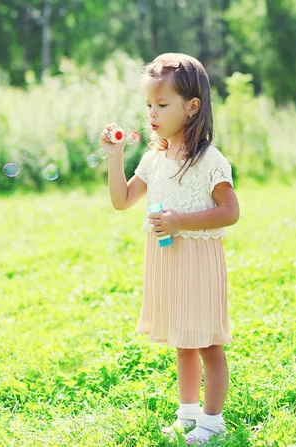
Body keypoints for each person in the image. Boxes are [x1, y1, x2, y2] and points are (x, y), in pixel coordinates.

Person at [100, 52, 240, 445]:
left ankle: (213, 422)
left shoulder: (208, 160)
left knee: (209, 343)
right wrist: (115, 158)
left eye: (162, 105)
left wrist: (180, 221)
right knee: (183, 341)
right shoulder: (154, 158)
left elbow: (230, 211)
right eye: (148, 105)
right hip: (168, 261)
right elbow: (121, 199)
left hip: (198, 260)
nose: (152, 113)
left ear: (192, 107)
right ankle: (188, 414)